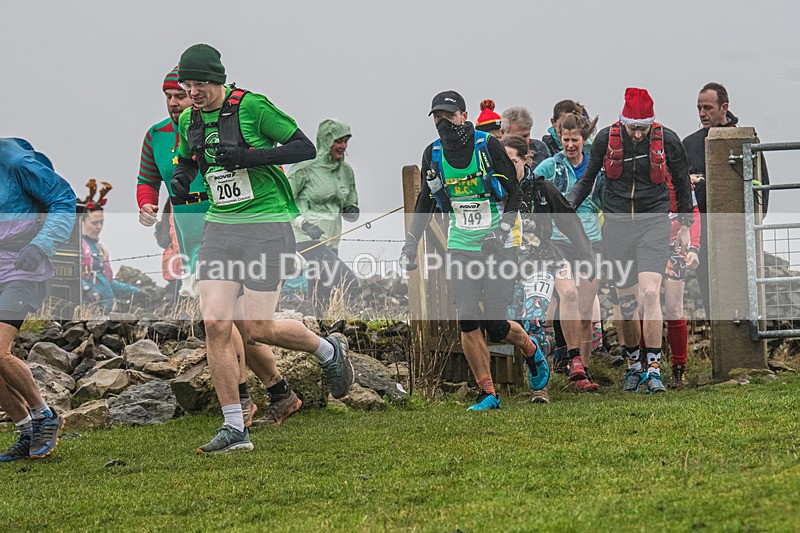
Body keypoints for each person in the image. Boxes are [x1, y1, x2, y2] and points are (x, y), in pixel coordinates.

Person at [170, 44, 354, 454]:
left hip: (265, 225)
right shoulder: (188, 119)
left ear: (218, 80)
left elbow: (304, 147)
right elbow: (186, 159)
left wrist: (248, 157)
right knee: (216, 322)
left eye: (200, 84)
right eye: (187, 85)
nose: (193, 92)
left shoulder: (252, 107)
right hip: (220, 227)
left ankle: (328, 350)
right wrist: (182, 177)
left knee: (256, 329)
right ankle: (234, 427)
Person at [400, 90, 547, 411]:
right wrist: (411, 242)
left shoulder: (487, 146)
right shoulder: (433, 154)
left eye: (449, 116)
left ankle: (531, 349)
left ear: (464, 116)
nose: (444, 122)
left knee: (495, 325)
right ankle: (487, 393)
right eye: (438, 117)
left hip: (499, 245)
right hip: (461, 245)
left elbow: (514, 193)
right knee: (467, 319)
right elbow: (425, 200)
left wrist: (501, 231)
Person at [568, 88, 694, 394]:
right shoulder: (604, 139)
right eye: (632, 128)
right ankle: (633, 365)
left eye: (642, 128)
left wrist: (686, 226)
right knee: (626, 303)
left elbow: (681, 183)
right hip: (617, 225)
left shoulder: (668, 140)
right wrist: (567, 205)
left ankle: (654, 369)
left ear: (651, 124)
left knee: (650, 293)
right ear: (623, 122)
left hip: (653, 223)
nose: (637, 134)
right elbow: (588, 178)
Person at [502, 134, 596, 401]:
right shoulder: (497, 191)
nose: (507, 168)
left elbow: (569, 221)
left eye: (512, 161)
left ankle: (556, 373)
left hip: (542, 258)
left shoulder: (542, 189)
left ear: (525, 159)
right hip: (508, 264)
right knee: (513, 321)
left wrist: (587, 256)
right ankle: (542, 358)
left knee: (543, 312)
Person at [0, 138, 76, 462]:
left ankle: (45, 414)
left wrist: (40, 246)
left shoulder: (16, 162)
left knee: (0, 351)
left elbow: (64, 198)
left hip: (23, 269)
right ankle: (27, 429)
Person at [682, 82, 769, 319]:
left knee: (742, 295)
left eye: (708, 107)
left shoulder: (746, 140)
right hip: (703, 232)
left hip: (737, 232)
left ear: (724, 108)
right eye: (699, 108)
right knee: (710, 295)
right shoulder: (689, 145)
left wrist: (754, 223)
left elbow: (763, 188)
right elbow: (681, 190)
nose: (702, 113)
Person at [533, 113, 602, 392]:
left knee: (585, 311)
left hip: (591, 240)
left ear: (584, 139)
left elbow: (605, 198)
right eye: (565, 139)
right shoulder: (550, 166)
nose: (570, 145)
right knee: (568, 295)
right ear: (559, 138)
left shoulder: (595, 167)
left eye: (575, 140)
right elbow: (531, 187)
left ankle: (584, 370)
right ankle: (573, 366)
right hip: (558, 242)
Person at [287, 118, 360, 311]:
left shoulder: (346, 171)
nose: (343, 146)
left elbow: (351, 203)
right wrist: (304, 224)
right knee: (348, 282)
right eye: (338, 141)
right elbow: (281, 203)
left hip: (332, 241)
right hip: (306, 240)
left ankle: (315, 324)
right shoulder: (304, 169)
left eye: (346, 141)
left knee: (321, 297)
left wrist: (352, 210)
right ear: (326, 140)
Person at [79, 186, 141, 312]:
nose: (99, 227)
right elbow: (70, 279)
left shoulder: (99, 249)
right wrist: (86, 289)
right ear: (82, 222)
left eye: (101, 222)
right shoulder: (76, 247)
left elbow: (106, 281)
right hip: (88, 311)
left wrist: (134, 292)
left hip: (105, 310)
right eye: (94, 223)